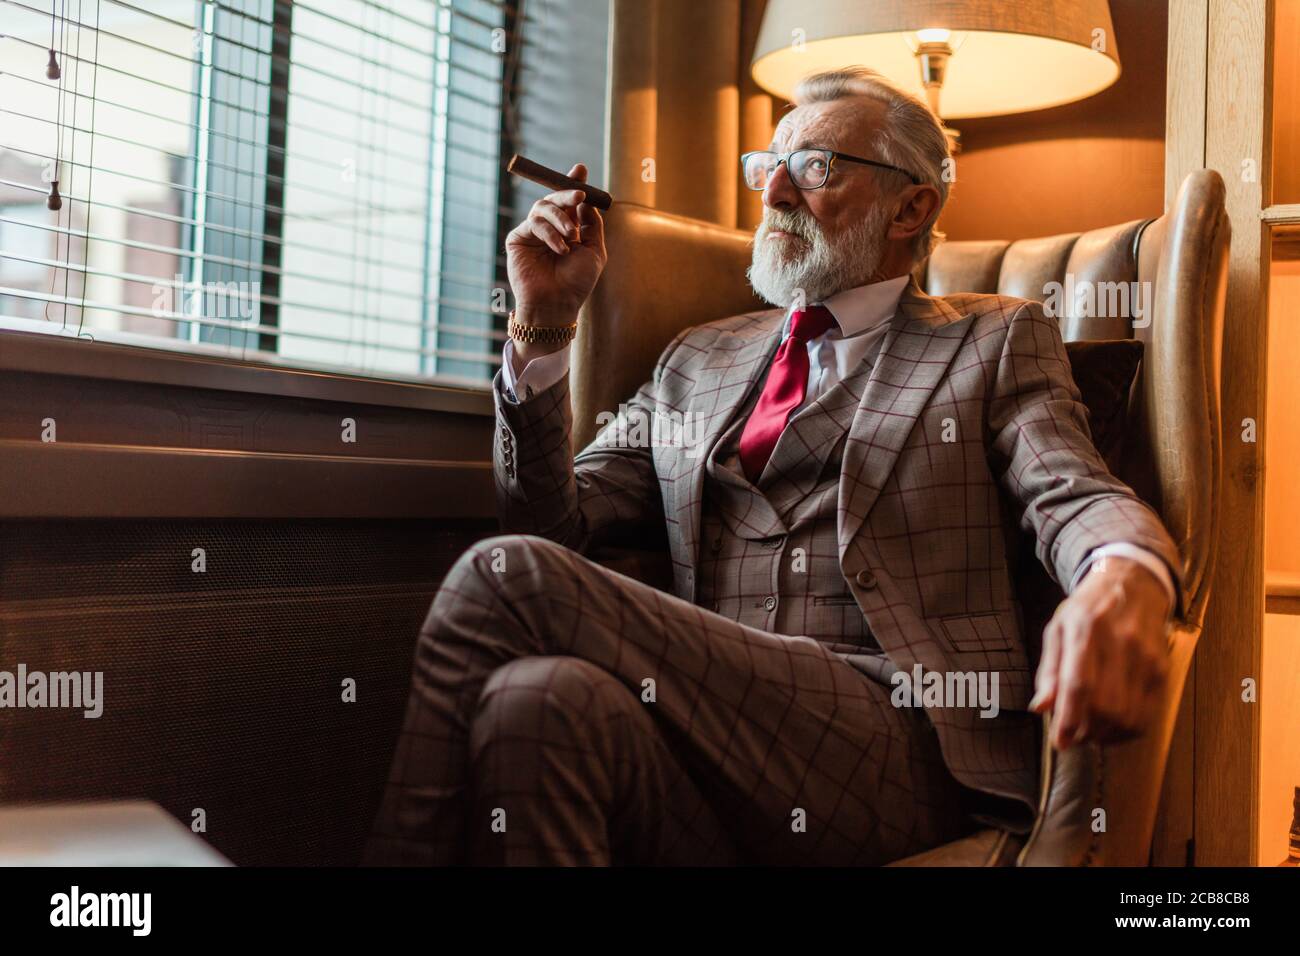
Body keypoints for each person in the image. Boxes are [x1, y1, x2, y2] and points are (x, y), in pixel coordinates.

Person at [365, 67, 1180, 866]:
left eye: (815, 169)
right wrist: (542, 330)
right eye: (769, 167)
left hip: (902, 745)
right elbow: (552, 524)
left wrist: (1124, 576)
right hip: (714, 745)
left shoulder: (992, 339)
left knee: (508, 576)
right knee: (530, 705)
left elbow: (1073, 493)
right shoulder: (697, 357)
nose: (776, 193)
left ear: (913, 206)